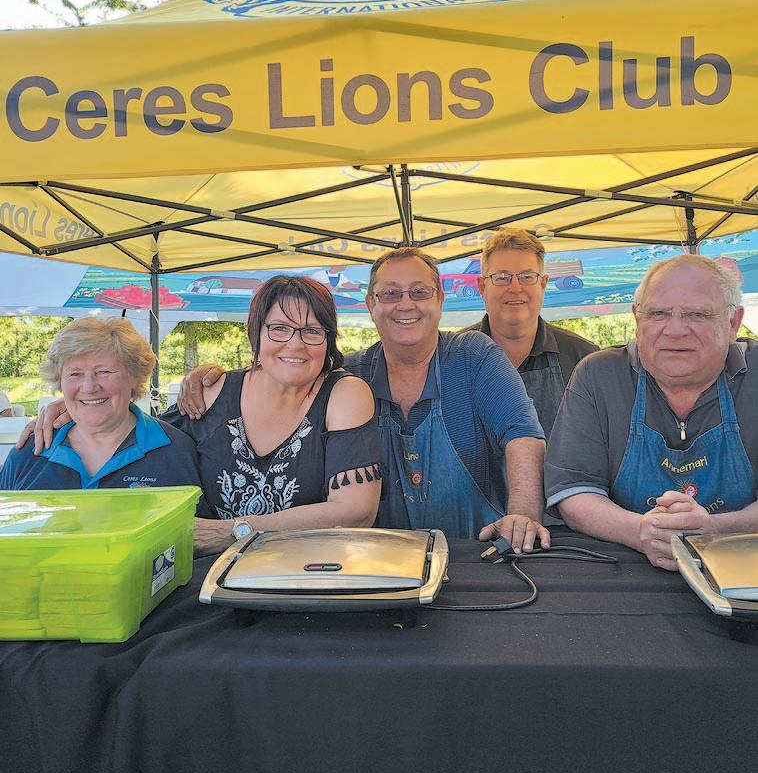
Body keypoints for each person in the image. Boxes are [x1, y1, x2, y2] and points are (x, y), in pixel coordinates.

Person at [179, 250, 549, 551]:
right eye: (390, 294)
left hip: (477, 552)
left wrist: (522, 516)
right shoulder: (350, 377)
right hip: (377, 563)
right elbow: (288, 363)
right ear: (371, 305)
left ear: (439, 299)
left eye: (419, 292)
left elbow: (522, 436)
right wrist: (215, 378)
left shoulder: (473, 356)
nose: (405, 304)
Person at [545, 254, 758, 571]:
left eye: (697, 314)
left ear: (732, 323)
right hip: (625, 571)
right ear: (637, 318)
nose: (675, 330)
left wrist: (714, 528)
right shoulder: (599, 376)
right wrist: (642, 532)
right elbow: (574, 491)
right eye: (658, 313)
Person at [162, 275, 382, 555]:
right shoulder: (210, 391)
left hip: (306, 575)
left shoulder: (344, 394)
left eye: (311, 331)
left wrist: (233, 532)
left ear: (328, 339)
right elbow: (139, 446)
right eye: (279, 328)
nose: (295, 344)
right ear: (256, 333)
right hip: (209, 577)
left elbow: (356, 512)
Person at [0, 317, 200, 492]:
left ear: (134, 376)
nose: (89, 387)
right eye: (75, 374)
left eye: (104, 372)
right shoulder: (29, 452)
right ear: (59, 380)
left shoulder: (177, 450)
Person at [462, 228, 598, 438]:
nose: (515, 288)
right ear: (482, 287)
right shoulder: (453, 357)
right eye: (502, 277)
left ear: (543, 284)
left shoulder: (584, 359)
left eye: (527, 277)